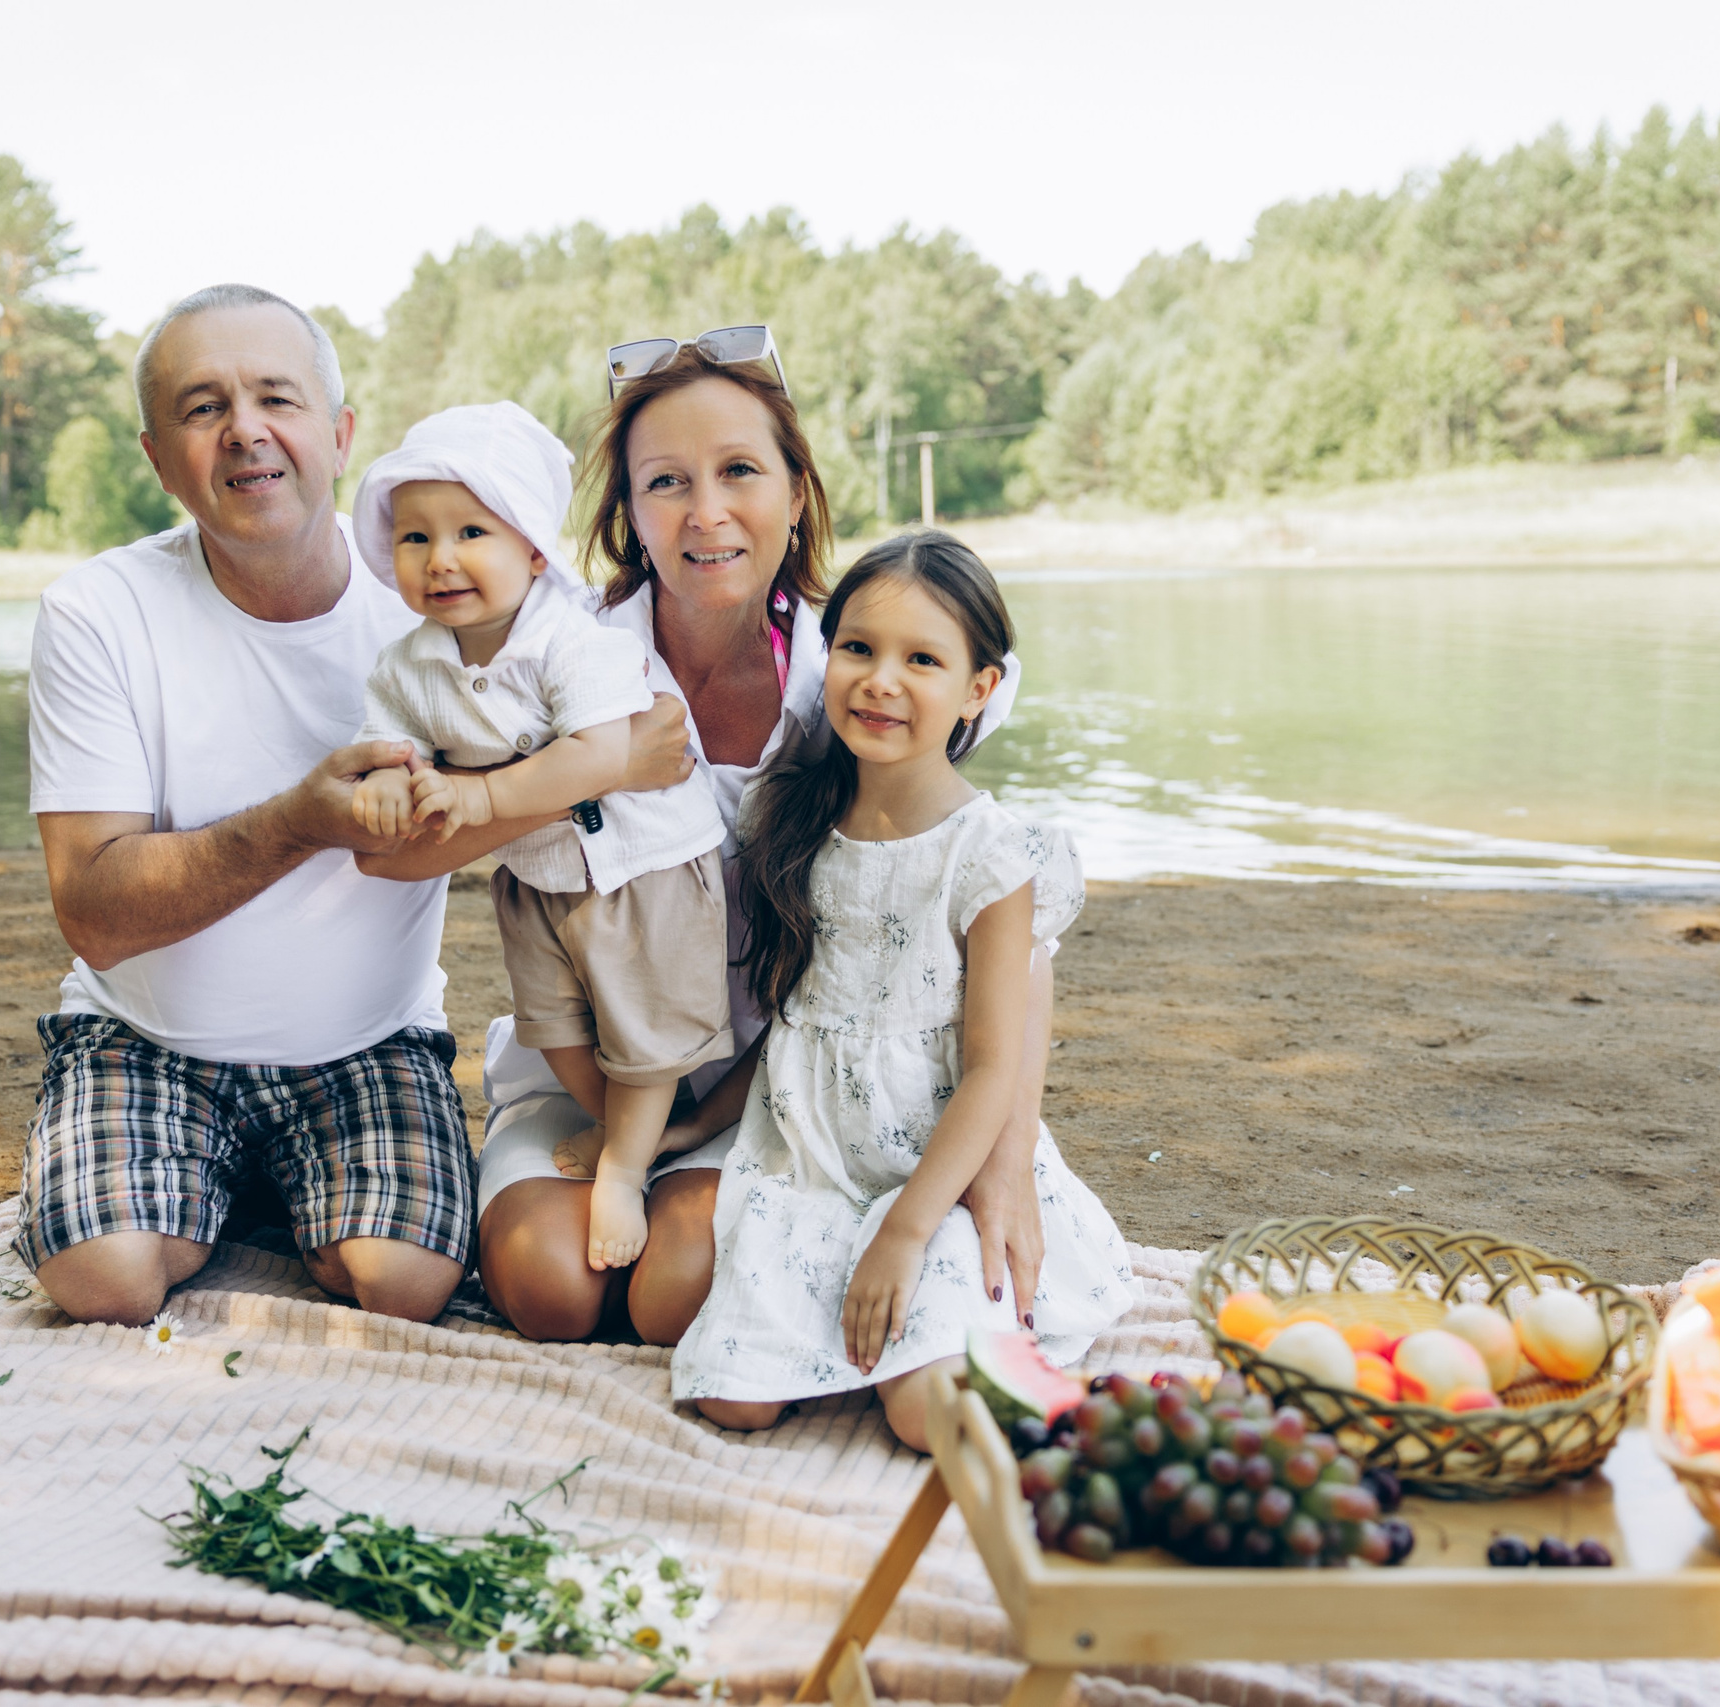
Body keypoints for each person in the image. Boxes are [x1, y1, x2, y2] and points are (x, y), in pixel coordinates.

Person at [361, 330, 1055, 1351]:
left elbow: (1002, 911)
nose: (706, 513)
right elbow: (395, 854)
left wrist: (1006, 1158)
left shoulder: (863, 672)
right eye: (665, 483)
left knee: (672, 1295)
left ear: (796, 490)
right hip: (584, 1063)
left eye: (739, 471)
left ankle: (688, 1187)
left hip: (764, 1078)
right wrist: (602, 769)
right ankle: (612, 1173)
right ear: (628, 516)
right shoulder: (557, 653)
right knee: (549, 1290)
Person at [19, 282, 478, 1329]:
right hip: (145, 1037)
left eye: (276, 396)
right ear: (157, 456)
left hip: (369, 1038)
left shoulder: (437, 613)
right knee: (105, 1278)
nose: (244, 433)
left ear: (340, 432)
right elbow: (92, 910)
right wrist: (299, 821)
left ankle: (266, 1185)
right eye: (201, 407)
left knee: (403, 1285)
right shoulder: (97, 612)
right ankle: (188, 1170)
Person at [671, 533, 1133, 1451]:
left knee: (927, 1417)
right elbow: (794, 1022)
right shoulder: (793, 819)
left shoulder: (993, 855)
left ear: (979, 688)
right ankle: (849, 1314)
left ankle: (982, 1346)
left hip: (940, 1171)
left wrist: (907, 1232)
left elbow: (995, 1068)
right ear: (825, 656)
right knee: (734, 1400)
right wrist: (687, 1127)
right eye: (859, 649)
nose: (882, 680)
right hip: (808, 1157)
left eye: (922, 659)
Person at [346, 402, 732, 1273]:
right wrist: (380, 783)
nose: (440, 558)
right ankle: (628, 1131)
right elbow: (392, 746)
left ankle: (627, 1169)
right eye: (415, 538)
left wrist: (479, 800)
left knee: (646, 1033)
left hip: (644, 868)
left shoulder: (574, 637)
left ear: (530, 548)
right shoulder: (406, 665)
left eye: (471, 531)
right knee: (554, 1029)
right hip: (537, 880)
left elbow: (601, 755)